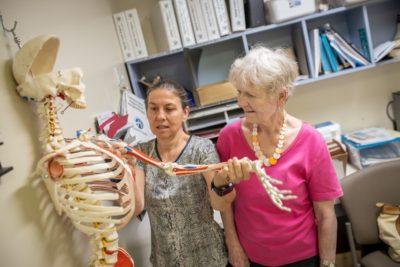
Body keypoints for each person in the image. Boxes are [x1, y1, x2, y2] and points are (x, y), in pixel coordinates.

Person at [212, 47, 343, 267]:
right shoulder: (229, 138)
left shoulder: (311, 141)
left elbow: (326, 214)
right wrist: (233, 245)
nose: (241, 102)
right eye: (240, 92)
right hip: (252, 257)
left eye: (251, 95)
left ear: (281, 96)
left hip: (303, 257)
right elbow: (226, 204)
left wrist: (328, 263)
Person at [132, 80, 233, 267]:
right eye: (153, 109)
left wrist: (223, 182)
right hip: (166, 260)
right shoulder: (140, 153)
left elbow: (219, 204)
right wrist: (122, 170)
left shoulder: (202, 149)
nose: (160, 116)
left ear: (185, 113)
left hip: (208, 257)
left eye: (169, 109)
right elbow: (137, 207)